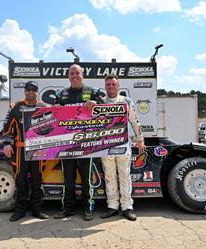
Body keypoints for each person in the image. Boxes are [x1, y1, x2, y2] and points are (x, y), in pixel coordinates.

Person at [53, 64, 103, 221]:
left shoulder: (93, 92)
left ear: (83, 74)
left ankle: (88, 208)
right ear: (68, 76)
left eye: (77, 73)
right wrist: (54, 108)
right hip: (66, 143)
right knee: (67, 178)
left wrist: (97, 105)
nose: (74, 75)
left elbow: (106, 110)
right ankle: (67, 208)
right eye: (72, 73)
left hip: (86, 143)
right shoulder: (61, 94)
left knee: (86, 179)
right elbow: (53, 115)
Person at [100, 74, 145, 221]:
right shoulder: (100, 102)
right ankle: (112, 206)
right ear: (105, 86)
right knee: (109, 176)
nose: (111, 87)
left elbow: (134, 120)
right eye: (108, 84)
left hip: (123, 144)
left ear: (118, 86)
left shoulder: (126, 101)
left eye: (113, 84)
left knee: (125, 175)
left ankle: (127, 207)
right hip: (106, 145)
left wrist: (140, 139)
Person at [2, 81, 49, 222]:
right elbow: (7, 127)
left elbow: (53, 127)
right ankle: (19, 211)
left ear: (37, 91)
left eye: (33, 89)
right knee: (21, 180)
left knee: (37, 180)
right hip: (20, 149)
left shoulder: (44, 107)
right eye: (28, 89)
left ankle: (37, 210)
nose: (30, 91)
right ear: (24, 91)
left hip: (38, 149)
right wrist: (6, 144)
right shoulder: (16, 107)